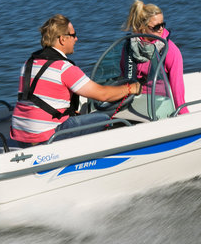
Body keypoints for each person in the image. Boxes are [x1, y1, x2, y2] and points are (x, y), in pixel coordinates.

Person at [10, 14, 141, 146]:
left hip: (20, 133)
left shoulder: (29, 63)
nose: (76, 39)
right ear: (62, 39)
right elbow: (103, 95)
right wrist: (131, 88)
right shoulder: (64, 68)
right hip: (46, 136)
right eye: (73, 35)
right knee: (104, 119)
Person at [121, 0, 188, 115]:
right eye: (156, 27)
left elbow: (177, 89)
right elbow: (124, 76)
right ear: (142, 27)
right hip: (134, 101)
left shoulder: (171, 51)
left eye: (163, 24)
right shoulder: (129, 46)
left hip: (159, 104)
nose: (161, 29)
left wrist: (183, 113)